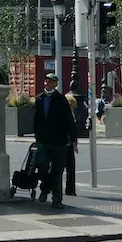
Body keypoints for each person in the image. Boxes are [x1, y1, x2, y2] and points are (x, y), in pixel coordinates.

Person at [33, 73, 76, 209]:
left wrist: (73, 139)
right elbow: (36, 119)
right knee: (42, 167)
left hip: (59, 141)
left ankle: (56, 200)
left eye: (50, 82)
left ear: (55, 84)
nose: (47, 84)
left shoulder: (61, 99)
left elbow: (69, 120)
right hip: (43, 140)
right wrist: (37, 136)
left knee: (57, 170)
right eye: (46, 81)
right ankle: (45, 187)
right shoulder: (39, 99)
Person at [64, 95, 80, 196]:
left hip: (60, 143)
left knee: (58, 167)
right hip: (67, 144)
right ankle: (70, 189)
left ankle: (52, 187)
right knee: (70, 167)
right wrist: (75, 143)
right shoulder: (69, 114)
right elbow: (72, 130)